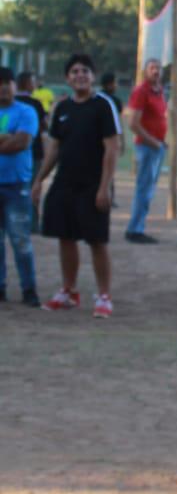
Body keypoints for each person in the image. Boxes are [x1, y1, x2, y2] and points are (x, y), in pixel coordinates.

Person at [33, 52, 120, 318]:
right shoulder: (62, 108)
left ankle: (104, 296)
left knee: (96, 240)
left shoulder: (103, 105)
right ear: (67, 78)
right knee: (65, 237)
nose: (80, 75)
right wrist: (39, 180)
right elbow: (55, 148)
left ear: (92, 76)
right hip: (65, 184)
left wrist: (104, 187)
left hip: (93, 184)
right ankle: (69, 291)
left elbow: (112, 149)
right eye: (74, 72)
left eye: (84, 71)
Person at [0, 67, 40, 307]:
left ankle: (29, 289)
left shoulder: (27, 111)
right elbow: (12, 140)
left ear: (15, 86)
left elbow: (22, 142)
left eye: (8, 82)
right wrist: (7, 137)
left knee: (21, 240)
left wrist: (10, 139)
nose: (4, 86)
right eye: (0, 82)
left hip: (17, 187)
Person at [125, 58, 167, 243]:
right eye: (152, 68)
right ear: (145, 71)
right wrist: (153, 142)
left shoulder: (159, 91)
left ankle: (138, 226)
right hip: (147, 146)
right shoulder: (141, 91)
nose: (156, 71)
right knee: (144, 189)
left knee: (149, 189)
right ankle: (134, 229)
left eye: (158, 68)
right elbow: (133, 123)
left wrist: (161, 143)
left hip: (157, 146)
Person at [16, 70, 48, 229]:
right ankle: (33, 223)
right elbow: (44, 126)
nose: (35, 84)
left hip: (13, 153)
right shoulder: (35, 104)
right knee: (34, 186)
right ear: (27, 84)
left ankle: (14, 221)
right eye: (33, 81)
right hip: (34, 151)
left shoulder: (11, 102)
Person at [100, 72, 125, 205]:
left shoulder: (96, 97)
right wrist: (122, 140)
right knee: (109, 167)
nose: (116, 86)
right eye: (115, 83)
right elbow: (118, 124)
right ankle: (110, 196)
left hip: (97, 140)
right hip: (110, 139)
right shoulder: (115, 101)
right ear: (109, 84)